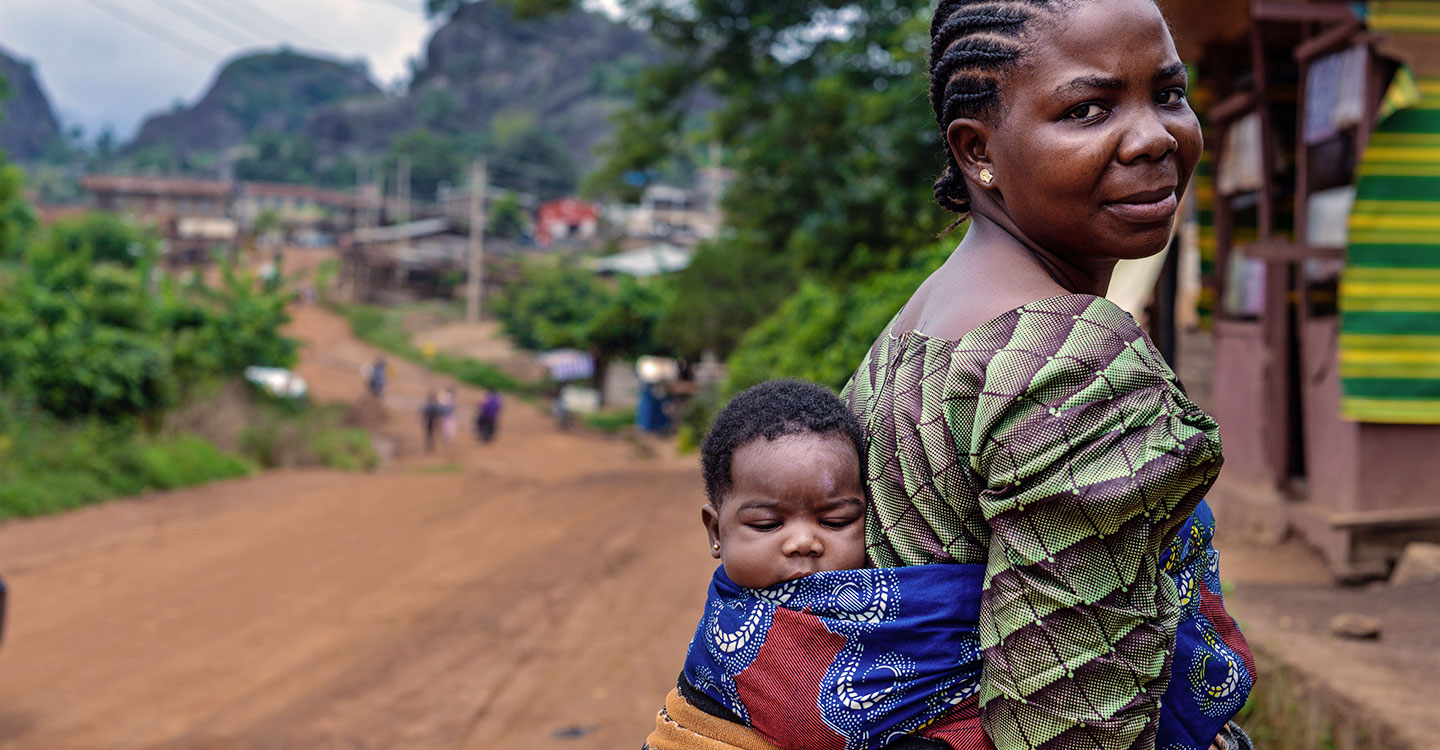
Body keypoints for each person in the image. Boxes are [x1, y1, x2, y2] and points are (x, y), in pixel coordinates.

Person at [840, 0, 1254, 748]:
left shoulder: (923, 320)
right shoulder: (1071, 364)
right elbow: (1075, 727)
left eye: (1168, 94)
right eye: (1088, 109)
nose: (1155, 137)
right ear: (977, 151)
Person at [646, 379, 994, 750]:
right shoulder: (725, 630)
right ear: (716, 531)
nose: (804, 543)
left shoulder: (917, 606)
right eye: (767, 524)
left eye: (836, 521)